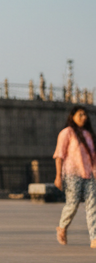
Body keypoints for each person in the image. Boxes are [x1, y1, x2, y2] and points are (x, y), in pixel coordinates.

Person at [54, 105, 96, 247]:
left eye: (85, 115)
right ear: (72, 116)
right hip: (72, 174)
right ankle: (62, 227)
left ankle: (94, 237)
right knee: (73, 204)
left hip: (89, 174)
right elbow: (59, 155)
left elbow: (93, 156)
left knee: (93, 205)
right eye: (80, 115)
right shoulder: (67, 133)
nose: (84, 117)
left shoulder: (88, 134)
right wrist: (58, 176)